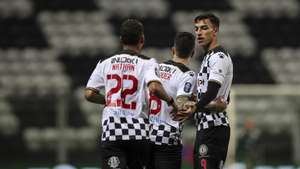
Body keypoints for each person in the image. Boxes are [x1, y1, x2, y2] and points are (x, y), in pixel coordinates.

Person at [84, 19, 177, 169]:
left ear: (121, 40)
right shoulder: (148, 63)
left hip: (112, 131)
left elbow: (89, 94)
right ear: (142, 39)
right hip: (138, 132)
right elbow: (154, 87)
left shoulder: (105, 62)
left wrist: (107, 100)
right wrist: (172, 102)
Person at [177, 13, 233, 169]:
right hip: (204, 127)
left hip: (215, 127)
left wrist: (194, 106)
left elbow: (213, 92)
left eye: (204, 28)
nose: (199, 33)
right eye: (196, 29)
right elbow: (222, 98)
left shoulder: (218, 57)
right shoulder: (207, 57)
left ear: (215, 31)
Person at [148, 32, 196, 169]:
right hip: (167, 138)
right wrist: (192, 105)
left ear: (173, 50)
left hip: (146, 134)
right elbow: (181, 105)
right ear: (192, 53)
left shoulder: (155, 68)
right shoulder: (188, 74)